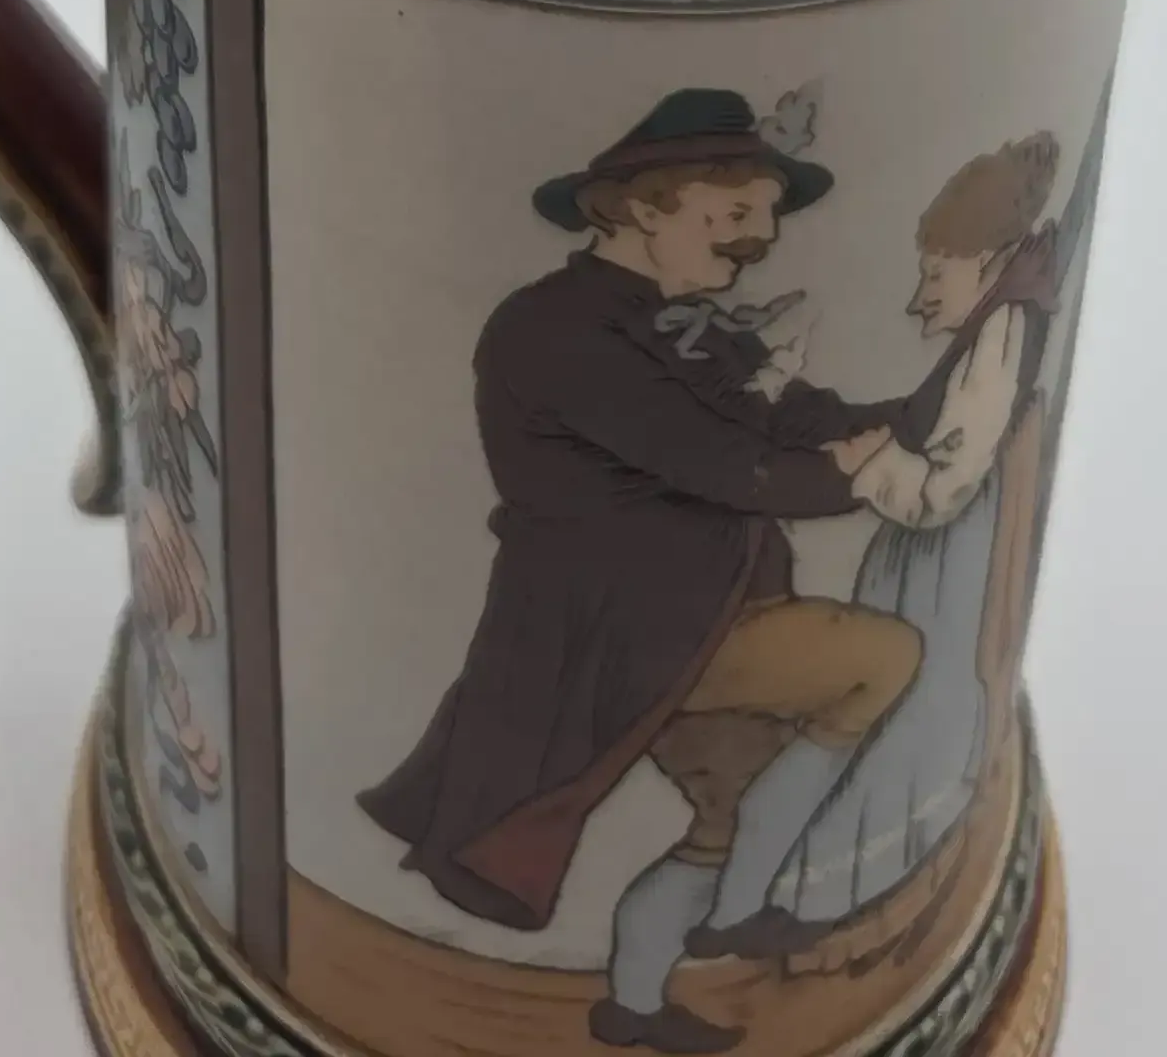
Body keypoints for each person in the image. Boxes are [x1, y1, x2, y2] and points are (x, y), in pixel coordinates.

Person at [357, 90, 917, 1056]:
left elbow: (790, 414)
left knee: (727, 812)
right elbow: (725, 464)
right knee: (884, 657)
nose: (758, 240)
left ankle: (635, 1006)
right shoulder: (554, 329)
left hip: (701, 613)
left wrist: (923, 414)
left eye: (765, 218)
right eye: (733, 212)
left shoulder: (681, 325)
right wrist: (859, 474)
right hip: (626, 634)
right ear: (644, 205)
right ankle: (735, 909)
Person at [682, 133, 1062, 964]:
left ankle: (828, 894)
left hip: (941, 565)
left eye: (935, 276)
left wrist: (866, 466)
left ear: (988, 262)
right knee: (888, 713)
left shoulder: (1000, 334)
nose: (920, 302)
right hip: (929, 563)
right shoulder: (998, 325)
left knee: (906, 712)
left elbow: (943, 489)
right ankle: (800, 894)